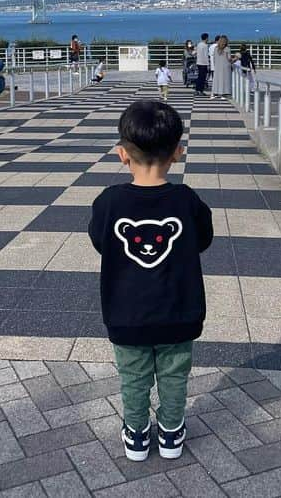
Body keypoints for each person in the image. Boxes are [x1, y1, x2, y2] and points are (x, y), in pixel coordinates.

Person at [87, 100, 213, 462]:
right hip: (179, 311)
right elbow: (203, 239)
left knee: (133, 377)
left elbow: (100, 242)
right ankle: (172, 433)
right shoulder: (186, 201)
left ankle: (137, 434)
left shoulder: (109, 202)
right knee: (174, 376)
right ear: (178, 152)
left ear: (121, 155)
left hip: (126, 313)